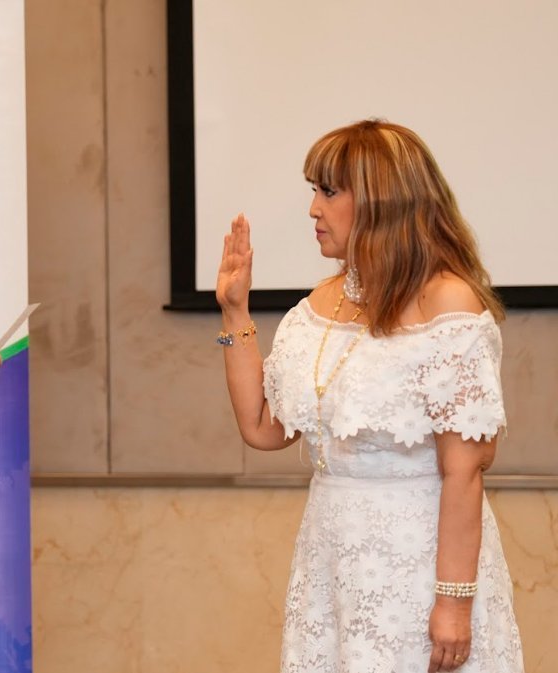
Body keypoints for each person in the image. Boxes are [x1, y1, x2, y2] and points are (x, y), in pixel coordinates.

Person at [216, 120, 523, 673]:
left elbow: (464, 471)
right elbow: (262, 429)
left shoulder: (448, 303)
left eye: (329, 191)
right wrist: (235, 312)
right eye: (314, 189)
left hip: (420, 563)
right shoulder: (322, 303)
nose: (313, 208)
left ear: (382, 199)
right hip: (330, 560)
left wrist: (453, 602)